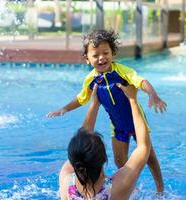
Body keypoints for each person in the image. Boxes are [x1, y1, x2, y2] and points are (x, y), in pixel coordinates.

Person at [49, 29, 165, 192]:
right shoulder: (90, 79)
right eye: (95, 55)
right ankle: (129, 188)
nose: (102, 58)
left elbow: (141, 81)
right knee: (119, 160)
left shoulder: (121, 71)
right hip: (117, 126)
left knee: (149, 157)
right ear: (87, 59)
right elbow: (81, 98)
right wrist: (64, 109)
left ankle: (160, 189)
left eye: (106, 53)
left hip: (135, 120)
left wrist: (153, 95)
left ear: (112, 53)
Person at [59, 84, 152, 199]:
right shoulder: (119, 186)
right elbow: (143, 147)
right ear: (104, 159)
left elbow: (81, 142)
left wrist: (95, 104)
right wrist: (132, 99)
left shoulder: (66, 182)